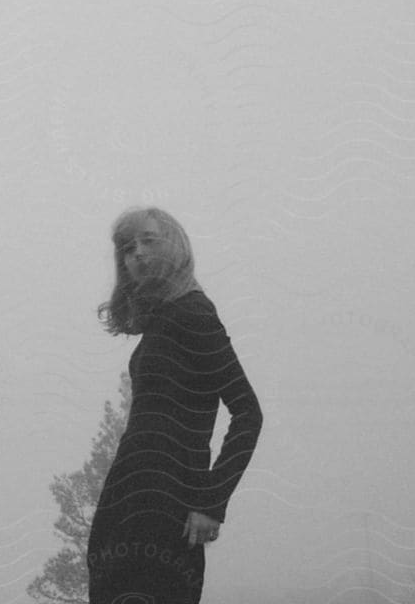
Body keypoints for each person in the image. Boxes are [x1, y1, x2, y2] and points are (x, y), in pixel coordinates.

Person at [87, 208, 262, 604]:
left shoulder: (195, 313)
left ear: (175, 246)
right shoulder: (162, 320)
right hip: (127, 496)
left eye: (149, 240)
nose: (137, 253)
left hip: (169, 503)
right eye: (128, 248)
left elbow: (248, 413)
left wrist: (211, 502)